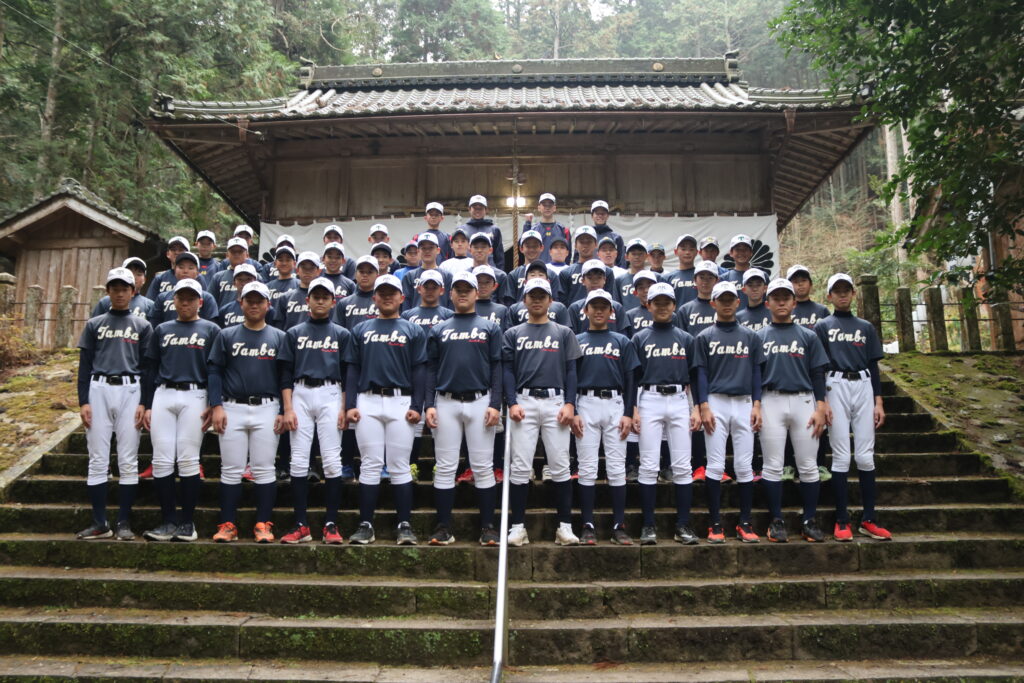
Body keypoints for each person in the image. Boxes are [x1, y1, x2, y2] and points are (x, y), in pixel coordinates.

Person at [345, 274, 428, 545]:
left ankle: (404, 525)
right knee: (369, 464)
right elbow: (353, 368)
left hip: (401, 401)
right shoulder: (361, 329)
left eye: (393, 293)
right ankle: (366, 524)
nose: (388, 297)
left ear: (402, 297)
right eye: (382, 293)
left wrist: (417, 405)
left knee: (399, 465)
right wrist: (350, 405)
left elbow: (419, 370)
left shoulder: (413, 330)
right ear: (375, 298)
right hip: (367, 400)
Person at [424, 272, 503, 545]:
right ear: (451, 294)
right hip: (445, 401)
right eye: (458, 289)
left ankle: (488, 527)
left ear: (476, 293)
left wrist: (495, 403)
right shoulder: (439, 329)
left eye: (467, 289)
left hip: (480, 401)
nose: (462, 294)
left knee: (483, 466)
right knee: (445, 466)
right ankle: (443, 527)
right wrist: (429, 404)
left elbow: (497, 366)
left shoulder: (490, 327)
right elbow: (431, 368)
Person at [502, 278, 582, 547]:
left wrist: (570, 403)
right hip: (523, 401)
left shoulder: (563, 332)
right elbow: (507, 370)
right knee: (520, 466)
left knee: (560, 465)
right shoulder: (513, 333)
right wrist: (511, 402)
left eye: (541, 296)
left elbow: (572, 371)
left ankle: (565, 527)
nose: (536, 300)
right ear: (524, 300)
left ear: (550, 300)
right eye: (532, 296)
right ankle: (517, 527)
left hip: (555, 401)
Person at [75, 267, 153, 541]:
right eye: (115, 289)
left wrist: (145, 402)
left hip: (131, 389)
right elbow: (84, 365)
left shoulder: (143, 326)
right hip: (99, 387)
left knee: (128, 459)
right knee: (97, 458)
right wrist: (83, 401)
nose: (120, 294)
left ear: (133, 291)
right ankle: (100, 522)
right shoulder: (95, 324)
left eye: (125, 289)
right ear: (108, 292)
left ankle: (123, 522)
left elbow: (148, 367)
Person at [140, 278, 220, 543]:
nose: (185, 302)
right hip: (163, 393)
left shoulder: (211, 329)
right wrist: (146, 404)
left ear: (200, 301)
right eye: (181, 298)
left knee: (188, 459)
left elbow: (215, 369)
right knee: (162, 460)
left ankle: (187, 522)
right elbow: (150, 368)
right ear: (173, 301)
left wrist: (214, 402)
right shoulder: (162, 329)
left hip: (195, 394)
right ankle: (168, 521)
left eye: (190, 298)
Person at [208, 281, 288, 543]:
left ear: (268, 304)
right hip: (232, 406)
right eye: (249, 300)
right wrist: (216, 405)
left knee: (264, 468)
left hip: (267, 406)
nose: (254, 305)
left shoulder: (279, 336)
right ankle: (227, 524)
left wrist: (283, 409)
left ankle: (263, 524)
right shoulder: (226, 335)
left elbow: (285, 376)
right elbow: (215, 371)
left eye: (259, 301)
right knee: (231, 469)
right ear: (240, 303)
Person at [815, 273, 892, 542]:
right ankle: (842, 520)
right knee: (840, 456)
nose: (842, 294)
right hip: (835, 384)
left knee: (865, 456)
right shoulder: (822, 326)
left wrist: (878, 401)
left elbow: (873, 365)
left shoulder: (865, 327)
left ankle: (869, 519)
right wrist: (822, 401)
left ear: (853, 293)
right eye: (837, 290)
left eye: (846, 290)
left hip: (863, 384)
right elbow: (819, 366)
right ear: (829, 296)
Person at [278, 277, 353, 545]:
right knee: (299, 461)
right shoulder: (294, 333)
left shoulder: (342, 334)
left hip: (331, 392)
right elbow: (285, 372)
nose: (320, 301)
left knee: (332, 461)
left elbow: (347, 372)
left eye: (325, 297)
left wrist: (344, 406)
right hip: (300, 392)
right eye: (316, 297)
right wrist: (287, 408)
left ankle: (331, 524)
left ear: (333, 302)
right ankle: (301, 524)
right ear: (307, 300)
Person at [756, 278, 830, 543]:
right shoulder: (759, 337)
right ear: (767, 303)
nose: (781, 302)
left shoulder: (808, 336)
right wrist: (756, 405)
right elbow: (755, 375)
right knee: (772, 465)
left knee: (808, 465)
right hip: (771, 400)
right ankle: (776, 520)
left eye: (786, 298)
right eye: (776, 298)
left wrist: (821, 406)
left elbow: (818, 373)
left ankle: (809, 520)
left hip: (803, 400)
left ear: (794, 302)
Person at [693, 281, 764, 544]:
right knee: (714, 465)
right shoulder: (704, 336)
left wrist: (757, 404)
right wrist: (703, 405)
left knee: (744, 466)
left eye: (730, 299)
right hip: (716, 402)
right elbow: (700, 373)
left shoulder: (750, 336)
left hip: (744, 402)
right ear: (713, 303)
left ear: (737, 301)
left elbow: (756, 372)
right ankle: (715, 524)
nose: (726, 303)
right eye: (720, 299)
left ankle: (745, 523)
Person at [630, 281, 700, 546]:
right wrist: (633, 408)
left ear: (674, 306)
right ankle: (648, 525)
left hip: (680, 399)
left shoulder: (686, 338)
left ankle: (683, 525)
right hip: (649, 398)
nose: (661, 307)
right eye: (656, 302)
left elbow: (695, 375)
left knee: (682, 466)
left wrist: (697, 407)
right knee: (649, 466)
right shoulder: (639, 338)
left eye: (666, 302)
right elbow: (633, 377)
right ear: (648, 305)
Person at [573, 289, 639, 545]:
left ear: (612, 311)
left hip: (615, 403)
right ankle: (587, 524)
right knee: (587, 467)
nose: (599, 310)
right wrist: (574, 410)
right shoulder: (577, 340)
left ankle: (619, 525)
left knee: (617, 468)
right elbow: (570, 376)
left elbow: (631, 378)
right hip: (586, 402)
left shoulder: (622, 341)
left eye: (604, 306)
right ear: (586, 310)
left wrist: (628, 412)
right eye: (594, 306)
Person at [332, 255, 381, 482]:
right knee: (350, 414)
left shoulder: (383, 299)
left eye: (370, 271)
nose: (365, 275)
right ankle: (347, 464)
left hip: (375, 362)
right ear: (355, 274)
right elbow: (338, 332)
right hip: (350, 363)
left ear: (377, 274)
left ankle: (375, 464)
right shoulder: (345, 303)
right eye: (361, 271)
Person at [147, 252, 220, 327]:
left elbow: (212, 327)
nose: (185, 271)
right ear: (175, 271)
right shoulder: (162, 297)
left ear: (198, 272)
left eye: (190, 268)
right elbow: (154, 325)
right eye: (181, 267)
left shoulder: (207, 298)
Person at [567, 259, 631, 335]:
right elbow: (571, 337)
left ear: (604, 280)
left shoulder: (616, 307)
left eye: (599, 277)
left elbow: (623, 336)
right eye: (590, 278)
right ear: (583, 280)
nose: (595, 281)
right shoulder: (575, 308)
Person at [557, 226, 616, 306]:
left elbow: (611, 299)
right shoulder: (566, 273)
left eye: (589, 242)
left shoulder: (607, 271)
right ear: (575, 245)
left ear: (596, 244)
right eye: (582, 242)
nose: (585, 245)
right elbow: (562, 303)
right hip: (574, 313)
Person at [505, 260, 570, 327]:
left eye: (541, 275)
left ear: (548, 281)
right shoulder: (514, 309)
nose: (537, 277)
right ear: (525, 282)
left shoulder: (559, 308)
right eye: (532, 275)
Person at [503, 231, 560, 305]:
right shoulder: (513, 275)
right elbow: (509, 302)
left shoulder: (552, 275)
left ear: (541, 248)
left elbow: (555, 301)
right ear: (521, 248)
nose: (532, 249)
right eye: (528, 246)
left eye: (535, 246)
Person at [401, 233, 453, 312]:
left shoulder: (447, 276)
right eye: (423, 248)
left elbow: (451, 303)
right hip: (415, 318)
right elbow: (406, 305)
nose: (427, 251)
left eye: (431, 247)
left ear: (438, 250)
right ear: (418, 251)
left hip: (442, 318)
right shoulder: (409, 276)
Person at [272, 251, 323, 330]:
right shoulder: (285, 298)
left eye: (311, 268)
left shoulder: (324, 299)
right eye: (304, 267)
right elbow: (279, 327)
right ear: (297, 270)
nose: (307, 271)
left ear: (318, 271)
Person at [457, 195, 504, 270]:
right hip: (468, 271)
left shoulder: (494, 229)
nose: (477, 211)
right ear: (469, 209)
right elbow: (456, 253)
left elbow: (499, 257)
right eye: (475, 208)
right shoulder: (461, 230)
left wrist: (499, 272)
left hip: (489, 271)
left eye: (480, 208)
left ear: (486, 210)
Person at [522, 193, 571, 264]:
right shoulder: (533, 230)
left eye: (550, 205)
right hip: (538, 268)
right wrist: (527, 224)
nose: (547, 208)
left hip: (557, 268)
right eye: (544, 205)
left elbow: (568, 254)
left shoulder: (564, 230)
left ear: (554, 208)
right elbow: (523, 247)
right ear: (539, 208)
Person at [676, 260, 719, 337]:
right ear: (695, 280)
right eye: (702, 277)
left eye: (710, 278)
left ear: (716, 281)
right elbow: (681, 338)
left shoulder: (722, 308)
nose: (705, 281)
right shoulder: (685, 310)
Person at [209, 237, 253, 308]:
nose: (236, 254)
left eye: (240, 251)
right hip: (224, 314)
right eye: (233, 251)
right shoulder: (218, 277)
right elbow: (210, 302)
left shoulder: (255, 276)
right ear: (227, 255)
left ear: (247, 255)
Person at [616, 238, 655, 311]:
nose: (637, 257)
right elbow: (617, 305)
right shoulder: (619, 280)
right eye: (633, 254)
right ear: (626, 257)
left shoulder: (655, 277)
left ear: (647, 256)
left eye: (640, 254)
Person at [216, 264, 259, 328]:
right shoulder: (225, 310)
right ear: (234, 283)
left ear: (255, 281)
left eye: (248, 279)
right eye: (240, 279)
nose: (244, 283)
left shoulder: (263, 309)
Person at [467, 233, 508, 299]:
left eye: (483, 247)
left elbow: (503, 302)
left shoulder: (500, 276)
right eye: (476, 247)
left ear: (490, 250)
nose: (479, 250)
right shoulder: (465, 275)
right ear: (470, 250)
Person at [589, 200, 626, 268]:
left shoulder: (616, 238)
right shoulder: (586, 236)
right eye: (597, 213)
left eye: (603, 213)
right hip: (589, 273)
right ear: (592, 216)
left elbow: (621, 262)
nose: (600, 215)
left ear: (608, 216)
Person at [666, 234, 699, 306]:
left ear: (697, 252)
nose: (687, 252)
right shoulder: (667, 278)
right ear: (676, 251)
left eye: (691, 249)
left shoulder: (702, 276)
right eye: (683, 249)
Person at [624, 270, 660, 335]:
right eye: (641, 288)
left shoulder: (667, 313)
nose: (646, 290)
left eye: (649, 286)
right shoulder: (629, 315)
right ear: (635, 293)